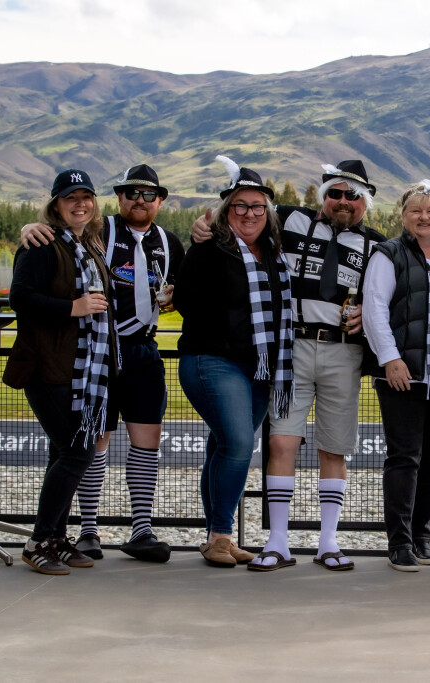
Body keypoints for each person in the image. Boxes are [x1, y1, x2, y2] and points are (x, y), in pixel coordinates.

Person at [193, 161, 386, 571]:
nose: (343, 202)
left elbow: (390, 296)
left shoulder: (379, 246)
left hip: (343, 352)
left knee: (333, 448)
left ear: (366, 202)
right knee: (281, 443)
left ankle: (328, 542)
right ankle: (277, 541)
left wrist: (369, 313)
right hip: (291, 348)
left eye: (352, 196)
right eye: (335, 193)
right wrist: (203, 224)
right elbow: (241, 214)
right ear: (323, 196)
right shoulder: (290, 220)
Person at [21, 164, 185, 563]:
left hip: (144, 349)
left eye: (149, 194)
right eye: (132, 193)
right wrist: (30, 227)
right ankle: (87, 529)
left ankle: (141, 529)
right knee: (93, 440)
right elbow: (57, 235)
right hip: (100, 351)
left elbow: (183, 288)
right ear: (118, 197)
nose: (140, 200)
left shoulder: (169, 241)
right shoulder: (100, 229)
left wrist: (174, 298)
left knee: (147, 440)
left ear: (161, 200)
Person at [174, 156, 294, 568]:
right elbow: (185, 301)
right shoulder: (210, 247)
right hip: (213, 359)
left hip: (259, 367)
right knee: (240, 443)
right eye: (240, 205)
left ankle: (216, 535)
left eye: (258, 206)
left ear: (268, 211)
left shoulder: (275, 252)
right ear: (226, 210)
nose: (249, 214)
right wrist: (227, 325)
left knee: (223, 445)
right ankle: (221, 537)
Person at [4, 169, 117, 575]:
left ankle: (55, 538)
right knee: (77, 451)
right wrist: (73, 308)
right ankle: (38, 541)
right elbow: (21, 298)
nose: (80, 204)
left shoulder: (88, 245)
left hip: (82, 371)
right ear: (56, 205)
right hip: (48, 367)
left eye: (86, 197)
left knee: (63, 452)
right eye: (71, 198)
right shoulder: (41, 244)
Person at [362, 179, 430, 571]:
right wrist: (390, 359)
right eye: (415, 211)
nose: (423, 217)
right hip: (403, 373)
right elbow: (374, 308)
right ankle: (400, 542)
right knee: (404, 457)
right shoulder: (388, 253)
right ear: (403, 215)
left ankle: (423, 536)